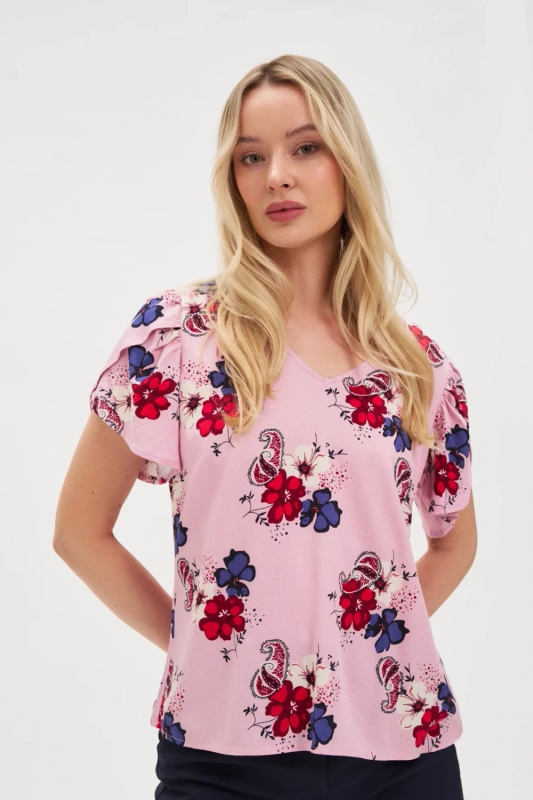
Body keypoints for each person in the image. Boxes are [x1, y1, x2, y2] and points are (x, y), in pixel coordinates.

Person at [53, 54, 477, 799]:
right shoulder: (177, 338)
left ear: (347, 163)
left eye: (305, 147)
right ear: (233, 180)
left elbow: (455, 544)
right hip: (220, 763)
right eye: (251, 156)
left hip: (405, 754)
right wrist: (205, 644)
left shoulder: (417, 365)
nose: (276, 175)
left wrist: (363, 642)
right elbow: (78, 533)